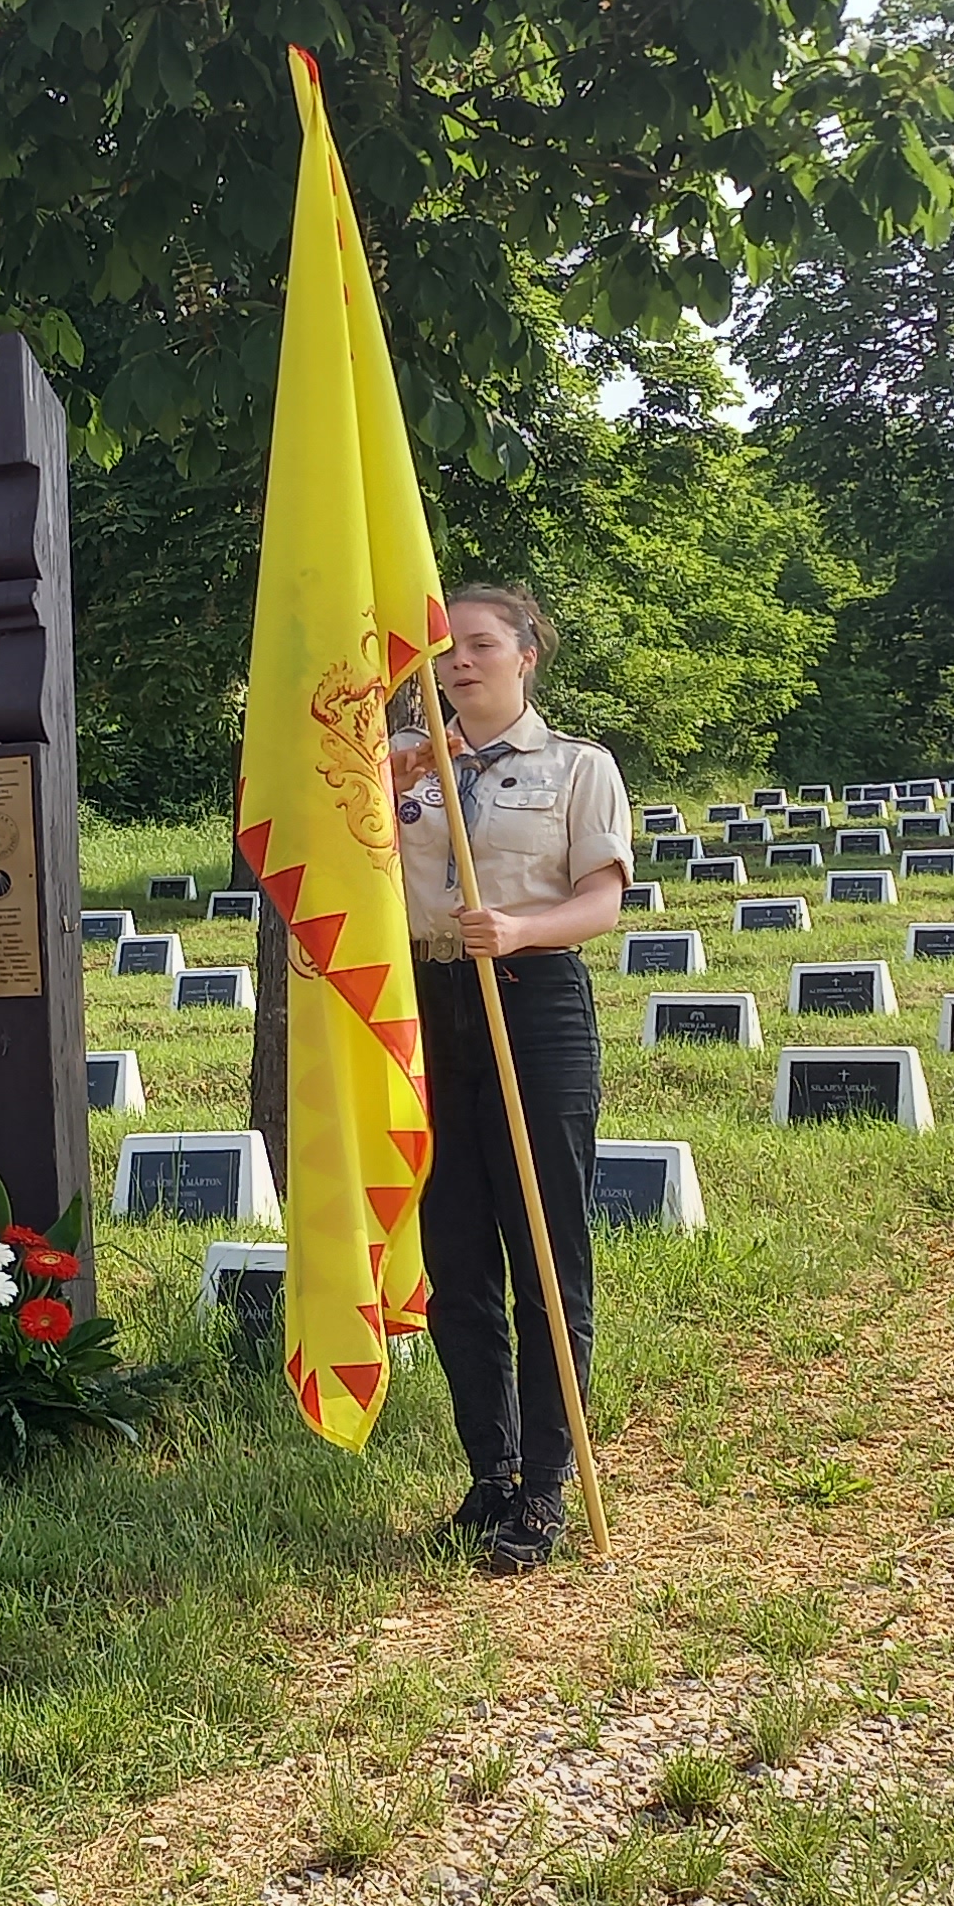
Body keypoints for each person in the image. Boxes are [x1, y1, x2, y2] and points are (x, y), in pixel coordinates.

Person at [390, 585, 632, 1576]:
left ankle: (545, 1483)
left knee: (543, 1250)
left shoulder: (578, 767)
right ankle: (488, 1474)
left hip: (531, 1004)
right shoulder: (402, 765)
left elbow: (601, 901)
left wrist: (520, 928)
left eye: (482, 645)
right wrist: (384, 767)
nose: (460, 662)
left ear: (527, 655)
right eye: (447, 648)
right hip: (429, 1009)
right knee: (455, 1255)